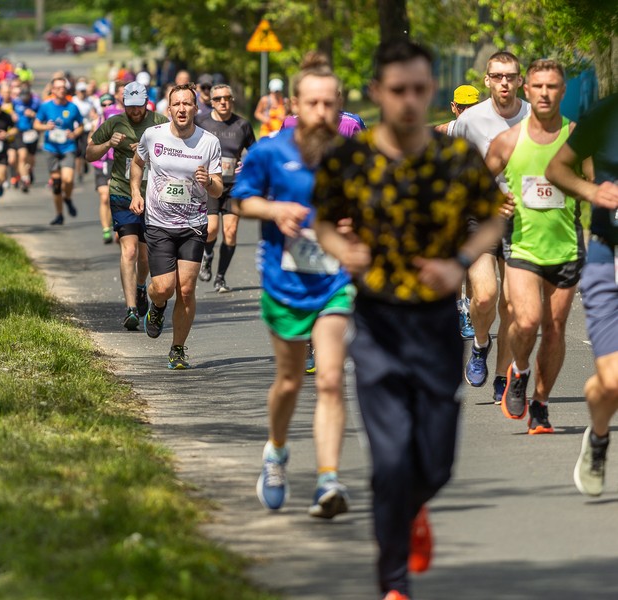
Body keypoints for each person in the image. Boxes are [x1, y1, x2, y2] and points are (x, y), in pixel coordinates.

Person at [312, 41, 506, 600]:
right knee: (391, 460)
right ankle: (392, 582)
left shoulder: (455, 158)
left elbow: (492, 220)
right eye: (398, 90)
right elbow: (324, 221)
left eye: (420, 89)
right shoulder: (352, 158)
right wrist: (341, 249)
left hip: (437, 325)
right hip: (377, 324)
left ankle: (415, 506)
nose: (410, 101)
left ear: (430, 92)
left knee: (436, 464)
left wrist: (461, 262)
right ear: (377, 93)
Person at [232, 54, 354, 519]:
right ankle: (277, 453)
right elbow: (241, 201)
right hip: (284, 284)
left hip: (334, 282)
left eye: (329, 103)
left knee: (329, 379)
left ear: (339, 105)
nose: (322, 112)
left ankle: (328, 480)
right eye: (313, 103)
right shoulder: (269, 151)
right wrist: (276, 211)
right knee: (288, 382)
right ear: (295, 105)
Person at [484, 59, 587, 432]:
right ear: (528, 91)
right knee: (525, 321)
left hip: (566, 246)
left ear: (562, 92)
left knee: (555, 327)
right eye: (538, 86)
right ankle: (520, 370)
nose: (545, 93)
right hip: (523, 246)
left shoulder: (578, 139)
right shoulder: (508, 142)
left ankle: (541, 404)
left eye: (553, 87)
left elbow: (597, 184)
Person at [546, 93, 618, 495]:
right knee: (612, 382)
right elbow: (557, 167)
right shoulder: (607, 112)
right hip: (609, 258)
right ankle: (599, 436)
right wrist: (592, 193)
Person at [452, 51, 530, 404]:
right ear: (487, 80)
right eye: (497, 76)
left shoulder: (534, 116)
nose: (503, 82)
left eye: (510, 76)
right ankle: (481, 344)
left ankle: (502, 376)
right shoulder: (471, 120)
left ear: (519, 80)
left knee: (513, 305)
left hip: (523, 220)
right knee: (484, 295)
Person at [129, 83, 223, 368]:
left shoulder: (209, 142)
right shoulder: (152, 135)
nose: (182, 109)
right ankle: (156, 306)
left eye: (187, 104)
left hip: (193, 224)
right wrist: (135, 191)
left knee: (185, 289)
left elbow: (218, 189)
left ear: (196, 108)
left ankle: (178, 349)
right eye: (177, 104)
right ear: (168, 110)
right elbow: (137, 163)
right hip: (158, 223)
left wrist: (209, 182)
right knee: (164, 288)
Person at [87, 82, 170, 329]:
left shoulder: (160, 122)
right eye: (130, 107)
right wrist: (108, 145)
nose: (135, 112)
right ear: (124, 104)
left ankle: (141, 286)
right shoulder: (114, 122)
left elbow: (175, 150)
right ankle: (131, 309)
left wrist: (147, 151)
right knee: (130, 251)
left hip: (153, 197)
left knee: (145, 256)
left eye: (139, 106)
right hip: (122, 193)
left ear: (147, 103)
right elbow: (89, 153)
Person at [194, 83, 256, 292]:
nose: (223, 102)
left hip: (234, 186)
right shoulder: (201, 122)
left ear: (232, 100)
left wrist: (246, 163)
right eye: (219, 99)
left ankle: (220, 278)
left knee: (230, 232)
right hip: (211, 184)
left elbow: (255, 153)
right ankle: (208, 254)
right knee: (211, 229)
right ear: (211, 102)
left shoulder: (242, 125)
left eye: (227, 98)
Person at [437, 84, 482, 339]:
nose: (466, 112)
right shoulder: (444, 134)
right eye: (462, 107)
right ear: (454, 107)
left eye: (471, 107)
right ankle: (458, 311)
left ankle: (471, 311)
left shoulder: (490, 134)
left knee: (475, 267)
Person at [34, 77, 85, 225]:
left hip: (68, 146)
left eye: (64, 87)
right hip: (51, 148)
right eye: (58, 87)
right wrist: (45, 127)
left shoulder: (72, 107)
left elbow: (81, 125)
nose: (62, 90)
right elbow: (36, 124)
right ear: (53, 90)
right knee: (56, 183)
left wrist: (74, 134)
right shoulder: (45, 106)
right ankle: (59, 214)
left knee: (68, 179)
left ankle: (67, 198)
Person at [89, 92, 118, 244]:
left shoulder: (119, 120)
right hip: (101, 163)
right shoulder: (97, 121)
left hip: (114, 161)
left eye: (109, 104)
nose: (107, 107)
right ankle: (106, 228)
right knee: (104, 196)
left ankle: (114, 221)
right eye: (104, 104)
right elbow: (90, 142)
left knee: (112, 195)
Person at [12, 86, 42, 193]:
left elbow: (42, 116)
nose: (24, 99)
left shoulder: (36, 103)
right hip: (20, 132)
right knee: (22, 156)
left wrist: (33, 114)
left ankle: (29, 170)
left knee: (31, 158)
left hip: (32, 132)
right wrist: (12, 115)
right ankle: (25, 179)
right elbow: (8, 110)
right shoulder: (16, 102)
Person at [72, 81, 98, 182]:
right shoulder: (73, 101)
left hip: (86, 128)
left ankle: (85, 163)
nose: (82, 93)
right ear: (77, 91)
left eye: (84, 91)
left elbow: (93, 112)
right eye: (80, 91)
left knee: (84, 150)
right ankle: (79, 172)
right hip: (75, 128)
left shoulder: (89, 101)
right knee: (77, 151)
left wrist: (93, 117)